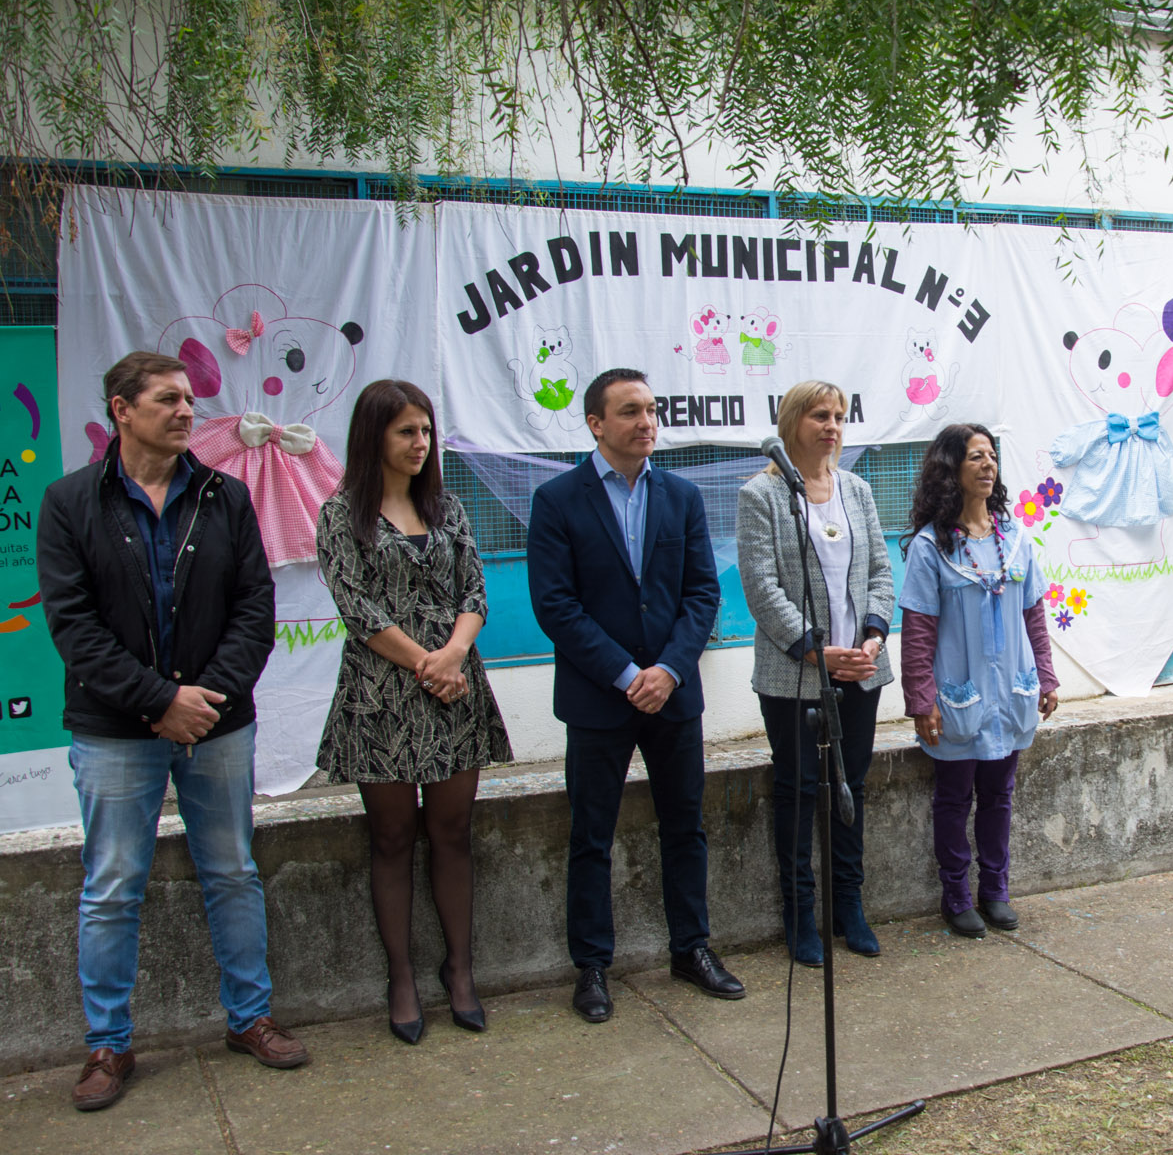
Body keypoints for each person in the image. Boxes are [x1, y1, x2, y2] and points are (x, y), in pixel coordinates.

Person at [37, 351, 308, 1113]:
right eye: (167, 399)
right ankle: (107, 1044)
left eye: (189, 399)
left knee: (231, 872)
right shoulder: (68, 503)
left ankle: (250, 1019)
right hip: (115, 731)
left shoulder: (224, 497)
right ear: (121, 409)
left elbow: (255, 608)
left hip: (217, 727)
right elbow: (74, 628)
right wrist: (159, 702)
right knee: (112, 887)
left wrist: (204, 702)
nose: (186, 410)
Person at [527, 367, 741, 1019]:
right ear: (595, 423)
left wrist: (670, 670)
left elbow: (702, 592)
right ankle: (592, 966)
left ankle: (692, 948)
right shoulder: (557, 500)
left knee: (686, 827)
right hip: (600, 699)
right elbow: (556, 606)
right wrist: (626, 675)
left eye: (651, 410)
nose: (646, 422)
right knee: (592, 834)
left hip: (672, 695)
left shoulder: (680, 497)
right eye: (629, 412)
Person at [314, 380, 511, 1044]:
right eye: (406, 432)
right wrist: (425, 664)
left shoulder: (448, 507)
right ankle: (401, 977)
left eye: (425, 431)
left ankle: (460, 970)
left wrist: (453, 654)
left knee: (453, 832)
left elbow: (475, 591)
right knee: (393, 838)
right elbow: (358, 608)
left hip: (455, 689)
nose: (419, 443)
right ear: (374, 437)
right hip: (383, 697)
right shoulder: (342, 514)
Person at [737, 381, 895, 965]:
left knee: (849, 786)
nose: (831, 426)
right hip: (795, 675)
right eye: (819, 415)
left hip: (861, 669)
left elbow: (881, 569)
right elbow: (761, 586)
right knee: (801, 790)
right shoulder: (763, 494)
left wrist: (873, 637)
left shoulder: (856, 488)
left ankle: (847, 905)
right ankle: (801, 915)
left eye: (838, 416)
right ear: (791, 421)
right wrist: (816, 651)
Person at [899, 424, 1060, 938]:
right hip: (958, 696)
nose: (988, 466)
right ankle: (956, 895)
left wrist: (1047, 676)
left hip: (1010, 689)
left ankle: (995, 890)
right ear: (952, 469)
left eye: (991, 456)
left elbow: (1034, 612)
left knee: (1000, 795)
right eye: (975, 457)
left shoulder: (1015, 539)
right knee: (954, 797)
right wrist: (922, 700)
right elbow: (918, 632)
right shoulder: (931, 548)